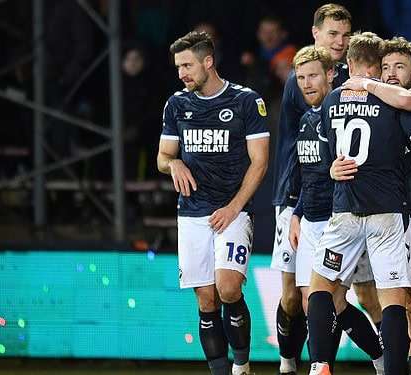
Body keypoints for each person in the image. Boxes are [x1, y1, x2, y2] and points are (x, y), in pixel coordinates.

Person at [306, 32, 411, 375]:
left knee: (321, 287)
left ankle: (319, 363)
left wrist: (333, 166)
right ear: (378, 67)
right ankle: (393, 370)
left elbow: (324, 154)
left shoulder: (331, 100)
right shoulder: (391, 102)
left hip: (345, 207)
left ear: (349, 64)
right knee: (393, 299)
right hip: (388, 212)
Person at [269, 5, 383, 375]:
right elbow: (305, 146)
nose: (340, 41)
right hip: (297, 199)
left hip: (345, 205)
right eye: (333, 34)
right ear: (316, 33)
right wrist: (296, 206)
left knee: (345, 296)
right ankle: (290, 360)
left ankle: (376, 359)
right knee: (295, 297)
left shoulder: (350, 83)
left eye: (345, 35)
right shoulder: (304, 78)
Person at [157, 31, 270, 375]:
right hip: (192, 213)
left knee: (228, 286)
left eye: (188, 65)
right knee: (206, 299)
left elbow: (260, 162)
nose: (182, 73)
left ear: (208, 62)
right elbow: (162, 157)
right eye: (178, 67)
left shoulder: (246, 101)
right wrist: (173, 163)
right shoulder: (177, 104)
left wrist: (235, 207)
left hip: (231, 211)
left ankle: (242, 364)